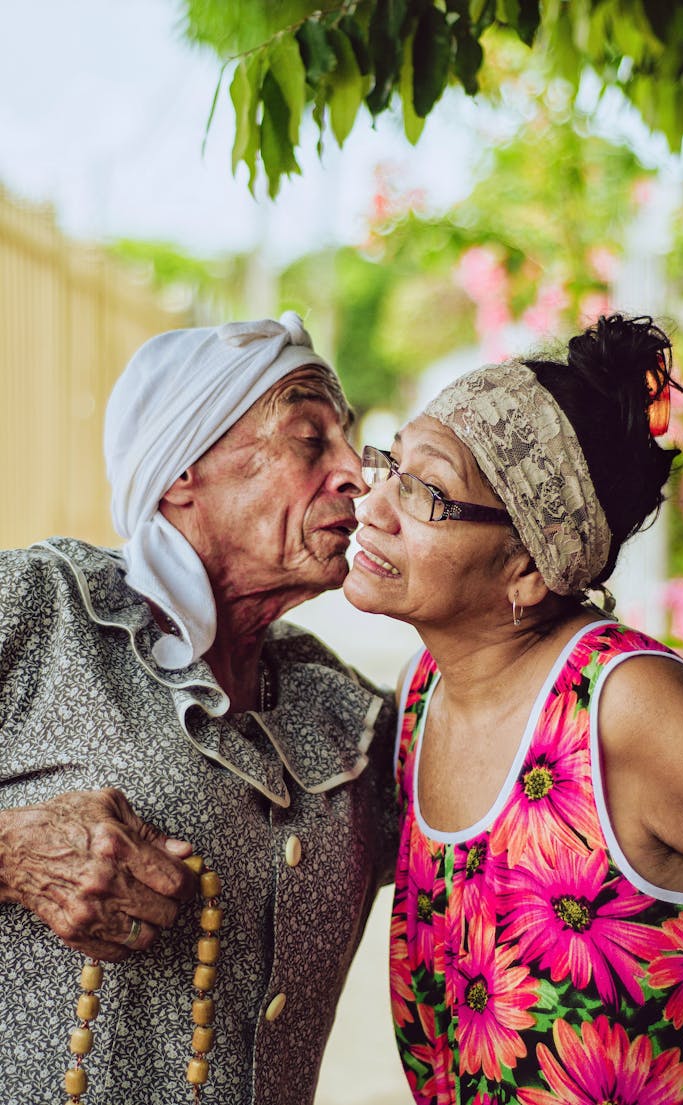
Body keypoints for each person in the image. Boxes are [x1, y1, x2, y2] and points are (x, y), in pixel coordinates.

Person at [343, 313, 683, 1105]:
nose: (377, 501)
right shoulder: (423, 690)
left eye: (427, 490)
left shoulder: (623, 706)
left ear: (528, 569)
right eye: (391, 464)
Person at [0, 312, 396, 1104]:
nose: (357, 471)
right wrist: (10, 849)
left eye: (350, 440)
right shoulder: (45, 609)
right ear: (183, 472)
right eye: (309, 438)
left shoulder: (346, 717)